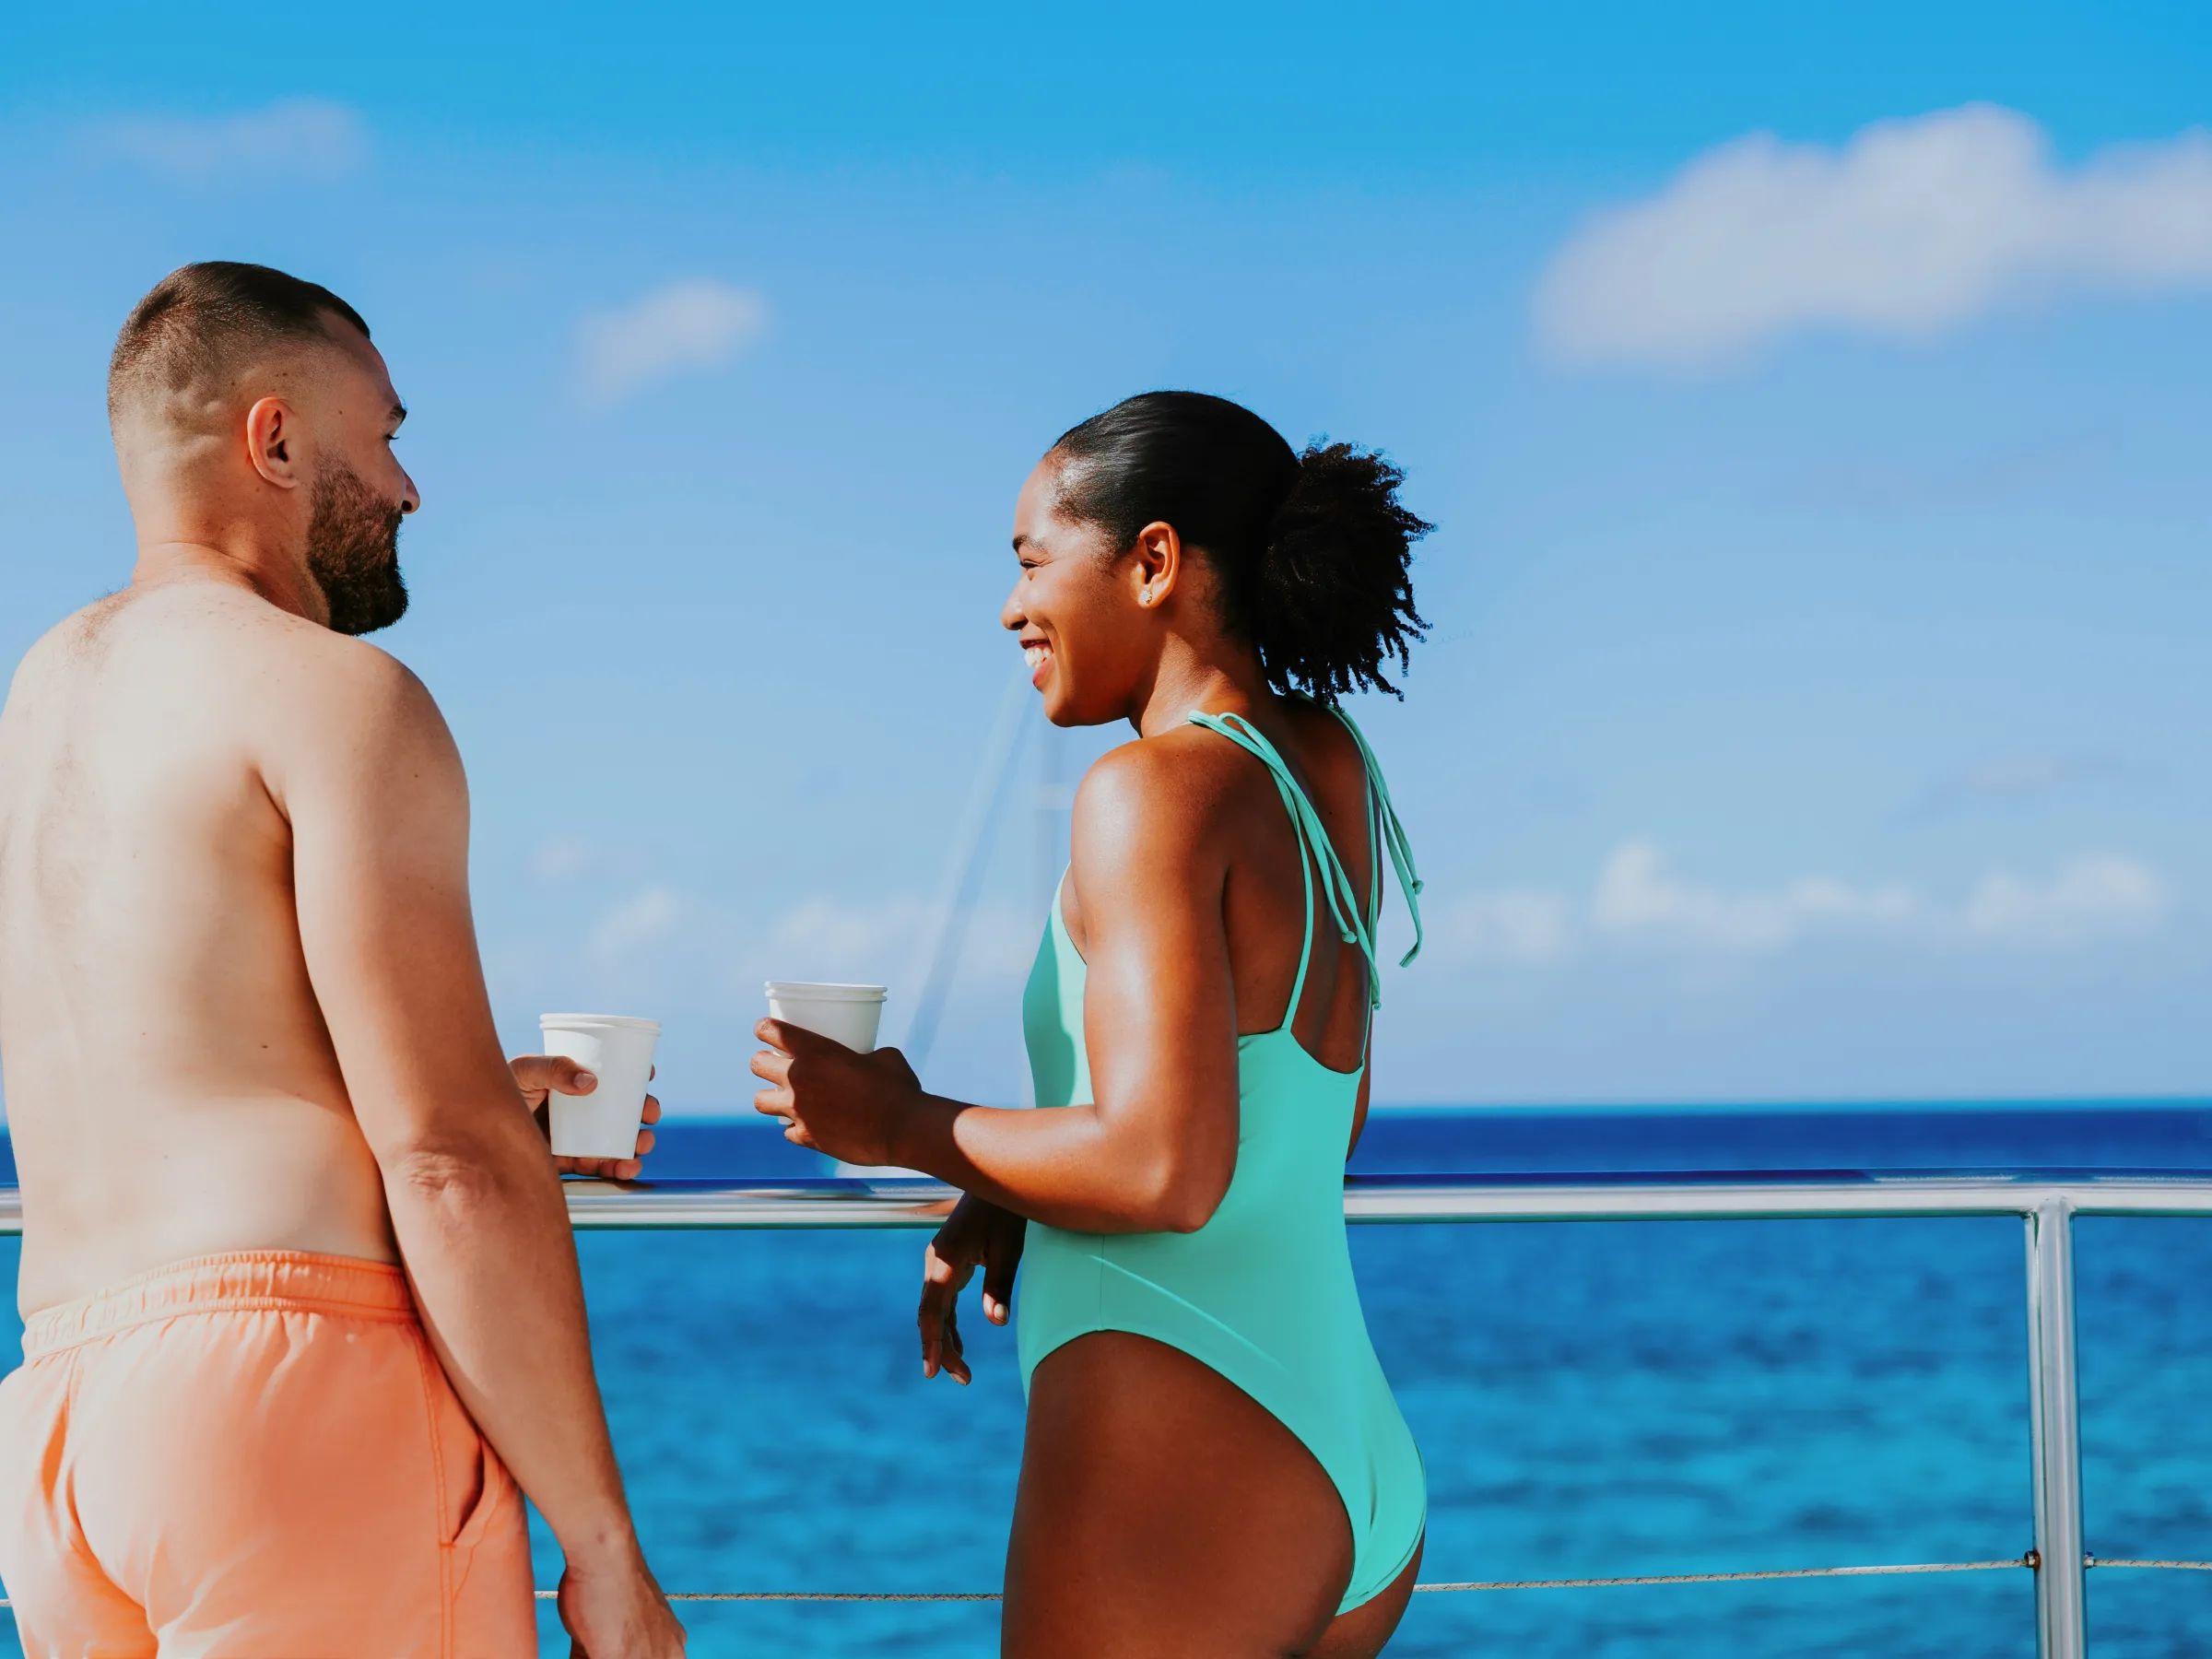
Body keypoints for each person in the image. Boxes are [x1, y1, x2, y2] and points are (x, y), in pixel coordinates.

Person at [0, 263, 684, 1658]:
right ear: (277, 442)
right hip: (292, 1400)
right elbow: (444, 1161)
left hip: (64, 1416)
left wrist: (485, 1097)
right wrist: (602, 1546)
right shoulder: (334, 696)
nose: (412, 488)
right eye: (387, 435)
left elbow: (185, 1051)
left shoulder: (41, 703)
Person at [752, 390, 1431, 1657]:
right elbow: (1303, 1116)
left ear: (1155, 562)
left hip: (1183, 1447)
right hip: (1335, 1437)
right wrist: (1012, 1185)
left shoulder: (1148, 795)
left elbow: (1166, 1170)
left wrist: (897, 1122)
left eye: (1030, 561)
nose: (1012, 608)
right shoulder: (1321, 761)